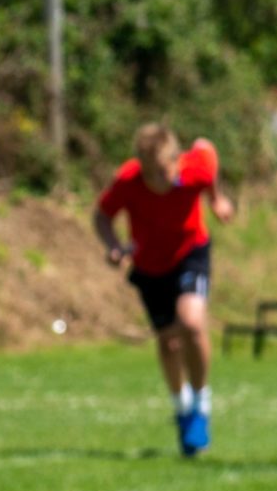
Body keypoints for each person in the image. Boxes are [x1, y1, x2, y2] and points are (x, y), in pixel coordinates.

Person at [94, 125, 237, 457]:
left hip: (191, 252)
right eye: (153, 173)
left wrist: (216, 200)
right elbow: (102, 216)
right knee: (169, 342)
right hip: (149, 266)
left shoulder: (195, 169)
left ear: (176, 159)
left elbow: (206, 146)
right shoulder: (127, 180)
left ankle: (201, 405)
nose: (162, 179)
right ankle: (181, 407)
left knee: (191, 323)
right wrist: (113, 246)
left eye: (166, 169)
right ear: (141, 167)